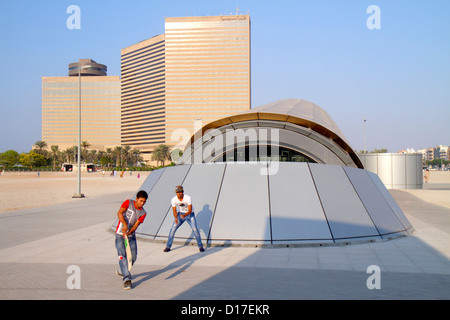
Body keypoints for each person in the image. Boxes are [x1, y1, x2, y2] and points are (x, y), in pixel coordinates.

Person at [114, 190, 148, 290]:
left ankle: (122, 270)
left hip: (131, 236)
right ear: (136, 199)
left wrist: (129, 232)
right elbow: (119, 213)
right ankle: (127, 279)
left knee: (132, 257)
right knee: (121, 256)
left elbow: (136, 225)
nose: (142, 203)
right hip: (120, 234)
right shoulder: (128, 202)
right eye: (141, 201)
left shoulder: (143, 213)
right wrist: (124, 225)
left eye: (144, 202)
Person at [164, 185, 204, 253]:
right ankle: (168, 246)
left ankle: (200, 246)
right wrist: (176, 218)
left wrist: (185, 215)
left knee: (195, 229)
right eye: (177, 192)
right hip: (180, 214)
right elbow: (174, 210)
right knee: (173, 229)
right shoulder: (173, 200)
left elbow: (190, 210)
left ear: (183, 192)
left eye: (180, 192)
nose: (179, 193)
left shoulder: (187, 198)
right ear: (176, 193)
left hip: (189, 214)